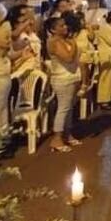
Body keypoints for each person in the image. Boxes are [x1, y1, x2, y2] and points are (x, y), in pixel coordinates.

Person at [44, 16, 82, 152]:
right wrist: (74, 44)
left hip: (71, 77)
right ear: (53, 30)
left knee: (70, 108)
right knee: (63, 108)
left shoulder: (63, 40)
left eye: (65, 25)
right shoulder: (53, 41)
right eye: (61, 26)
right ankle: (57, 138)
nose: (65, 27)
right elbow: (68, 57)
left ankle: (67, 133)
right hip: (62, 78)